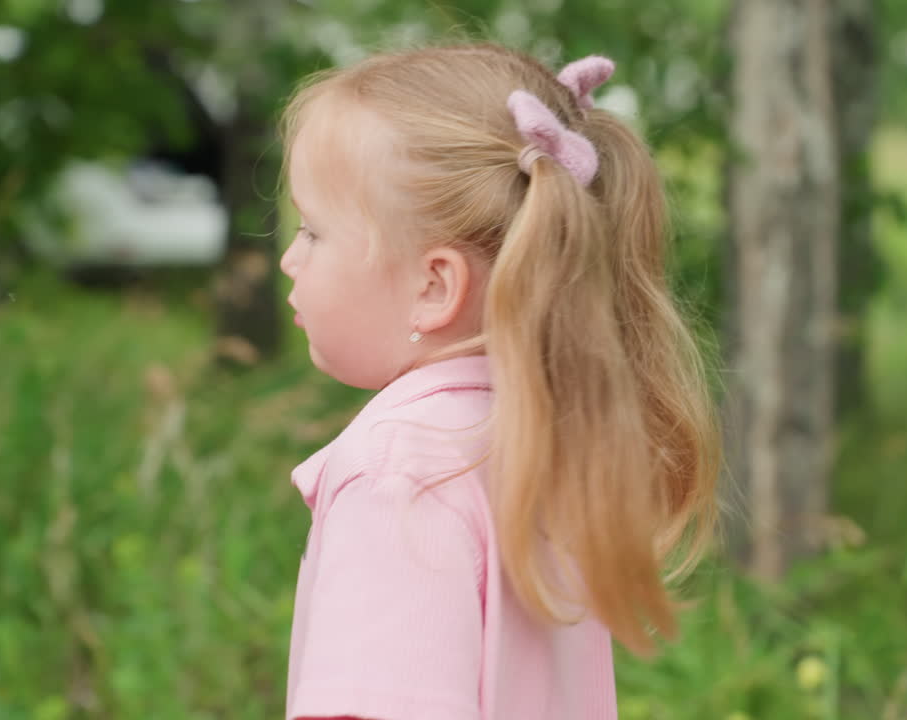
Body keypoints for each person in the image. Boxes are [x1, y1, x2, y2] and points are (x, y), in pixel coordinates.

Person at [277, 43, 720, 720]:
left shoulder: (398, 476)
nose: (288, 259)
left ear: (434, 286)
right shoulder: (540, 436)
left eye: (312, 231)